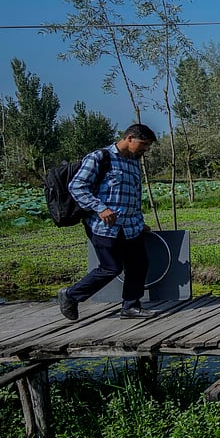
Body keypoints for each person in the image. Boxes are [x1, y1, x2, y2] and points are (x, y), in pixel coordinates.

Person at [57, 124, 158, 321]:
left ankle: (130, 306)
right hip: (104, 226)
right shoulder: (99, 158)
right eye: (143, 144)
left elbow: (134, 197)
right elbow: (76, 186)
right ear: (130, 138)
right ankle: (70, 295)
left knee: (139, 264)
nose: (145, 149)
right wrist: (100, 208)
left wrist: (139, 222)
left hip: (131, 226)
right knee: (110, 268)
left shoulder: (134, 163)